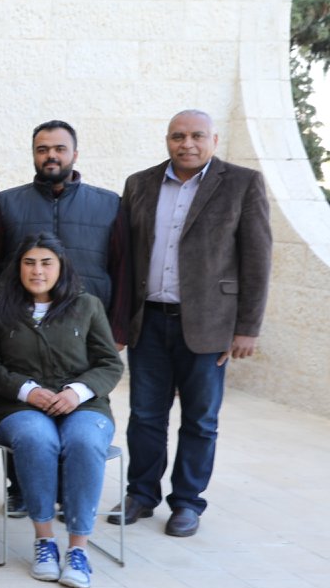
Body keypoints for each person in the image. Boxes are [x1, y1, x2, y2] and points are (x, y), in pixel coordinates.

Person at [114, 109, 272, 538]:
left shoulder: (241, 183)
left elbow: (257, 260)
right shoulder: (139, 184)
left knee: (200, 420)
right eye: (178, 136)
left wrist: (247, 328)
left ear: (214, 140)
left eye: (197, 136)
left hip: (209, 325)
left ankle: (186, 502)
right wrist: (119, 322)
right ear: (167, 139)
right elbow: (125, 257)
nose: (187, 144)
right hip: (149, 321)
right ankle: (141, 494)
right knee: (145, 415)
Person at [0, 234, 122, 588]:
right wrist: (27, 390)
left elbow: (110, 363)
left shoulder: (86, 305)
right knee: (36, 438)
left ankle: (78, 548)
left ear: (61, 267)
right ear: (18, 267)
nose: (37, 271)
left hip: (83, 404)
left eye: (46, 263)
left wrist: (77, 392)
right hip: (19, 404)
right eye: (29, 263)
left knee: (84, 441)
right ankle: (44, 540)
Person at [0, 120, 128, 341]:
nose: (51, 156)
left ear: (75, 154)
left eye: (60, 149)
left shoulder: (109, 205)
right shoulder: (6, 204)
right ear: (33, 155)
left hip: (88, 329)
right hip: (18, 332)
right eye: (42, 150)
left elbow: (122, 270)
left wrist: (117, 331)